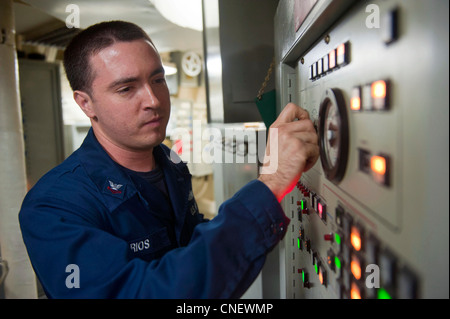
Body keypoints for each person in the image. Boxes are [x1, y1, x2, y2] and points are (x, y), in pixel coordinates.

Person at [19, 21, 318, 298]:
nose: (153, 100)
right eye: (126, 88)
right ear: (85, 103)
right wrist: (269, 187)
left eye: (157, 79)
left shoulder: (170, 162)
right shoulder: (53, 207)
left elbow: (185, 244)